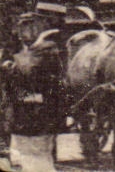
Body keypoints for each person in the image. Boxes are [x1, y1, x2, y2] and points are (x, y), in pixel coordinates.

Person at [2, 26, 67, 172]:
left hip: (33, 119)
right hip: (39, 120)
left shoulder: (41, 54)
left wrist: (11, 66)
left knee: (34, 158)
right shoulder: (49, 57)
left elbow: (28, 73)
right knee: (40, 157)